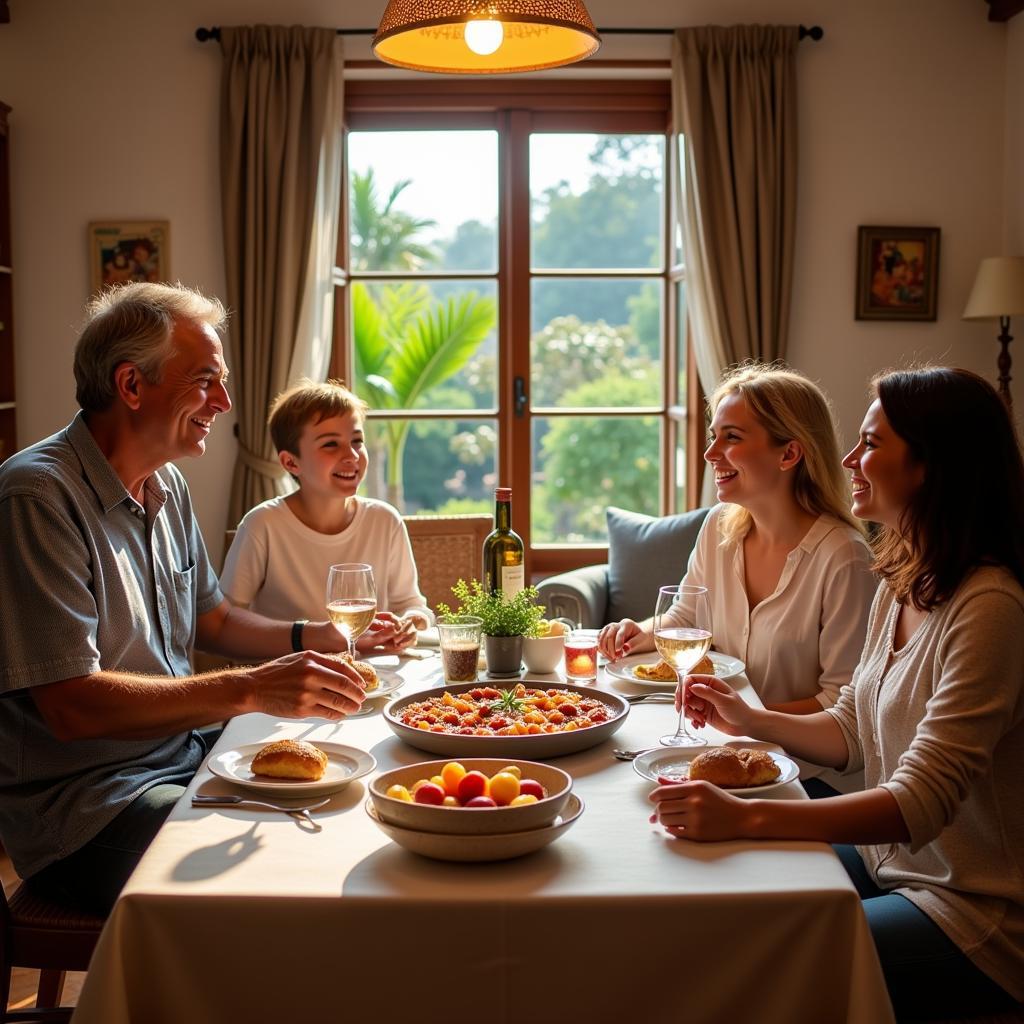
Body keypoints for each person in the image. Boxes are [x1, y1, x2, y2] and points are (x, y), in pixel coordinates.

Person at [657, 368, 1024, 1020]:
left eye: (872, 444)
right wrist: (746, 716)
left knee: (760, 955)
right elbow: (850, 726)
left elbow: (920, 803)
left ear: (932, 464)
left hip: (975, 908)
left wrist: (749, 816)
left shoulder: (989, 605)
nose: (851, 459)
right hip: (899, 866)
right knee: (731, 895)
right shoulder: (906, 576)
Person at [0, 283, 376, 916]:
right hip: (90, 809)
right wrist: (254, 689)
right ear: (131, 385)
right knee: (293, 863)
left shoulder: (164, 483)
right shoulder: (37, 496)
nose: (224, 402)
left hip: (183, 757)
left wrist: (324, 640)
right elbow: (72, 706)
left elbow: (214, 618)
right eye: (205, 380)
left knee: (344, 804)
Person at [598, 363, 877, 794]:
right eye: (714, 436)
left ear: (788, 454)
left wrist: (740, 716)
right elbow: (687, 615)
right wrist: (641, 632)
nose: (711, 453)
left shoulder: (843, 557)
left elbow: (842, 704)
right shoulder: (719, 526)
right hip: (726, 759)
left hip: (807, 779)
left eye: (732, 437)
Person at [219, 378, 432, 649]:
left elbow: (412, 605)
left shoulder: (385, 520)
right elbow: (228, 620)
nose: (352, 455)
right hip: (291, 676)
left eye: (357, 440)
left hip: (375, 677)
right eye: (331, 444)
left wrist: (411, 623)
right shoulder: (263, 525)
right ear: (290, 462)